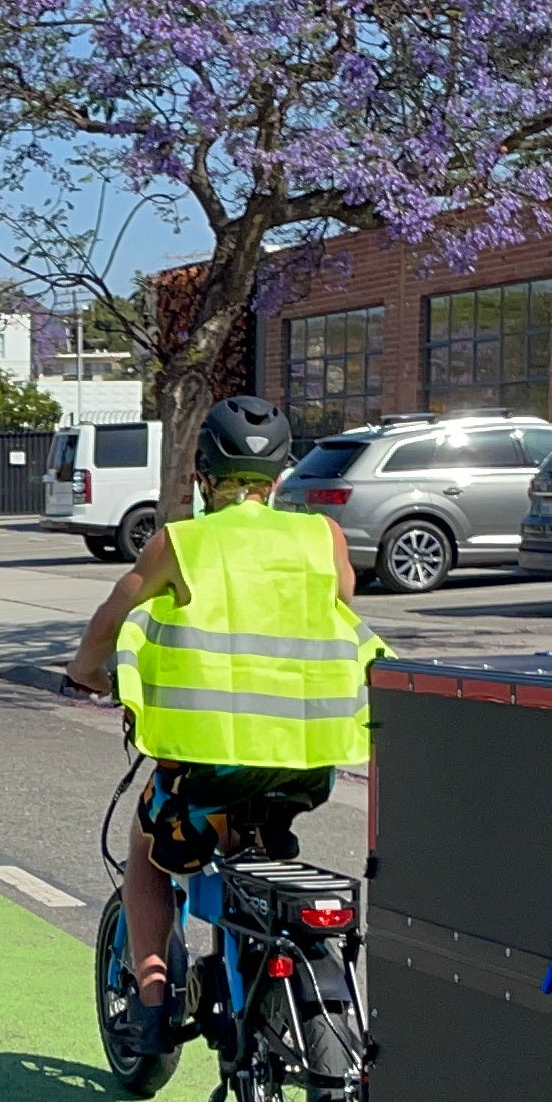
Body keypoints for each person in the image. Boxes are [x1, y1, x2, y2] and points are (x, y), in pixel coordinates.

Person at [61, 395, 381, 1050]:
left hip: (209, 765)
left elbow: (111, 619)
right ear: (281, 475)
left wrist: (89, 673)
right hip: (309, 761)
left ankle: (150, 1005)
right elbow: (338, 606)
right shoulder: (323, 537)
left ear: (202, 473)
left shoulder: (179, 542)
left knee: (148, 854)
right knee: (254, 837)